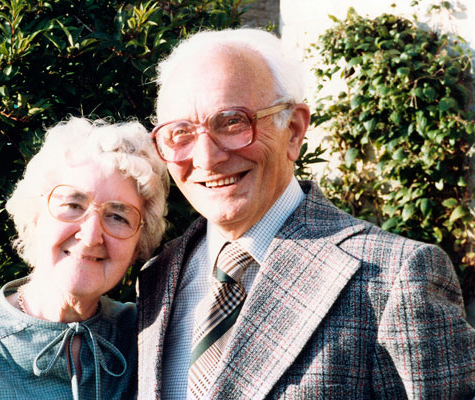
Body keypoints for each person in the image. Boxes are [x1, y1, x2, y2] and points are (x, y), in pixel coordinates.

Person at [137, 28, 475, 399]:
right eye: (181, 132)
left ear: (294, 130)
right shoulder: (157, 276)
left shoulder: (396, 277)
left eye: (232, 122)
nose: (205, 158)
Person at [0, 117, 169, 399]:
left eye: (118, 216)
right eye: (73, 205)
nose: (90, 236)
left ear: (139, 244)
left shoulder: (150, 339)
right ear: (35, 216)